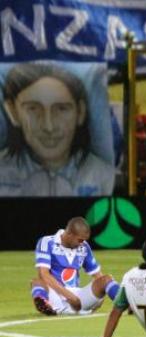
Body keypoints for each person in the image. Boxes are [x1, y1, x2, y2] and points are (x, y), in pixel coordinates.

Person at [0, 63, 115, 196]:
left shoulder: (102, 176)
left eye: (61, 109)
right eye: (33, 109)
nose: (49, 127)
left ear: (80, 112)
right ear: (12, 112)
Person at [31, 217, 120, 316]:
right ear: (69, 234)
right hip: (55, 294)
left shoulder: (84, 247)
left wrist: (100, 296)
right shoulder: (46, 242)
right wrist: (70, 297)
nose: (82, 243)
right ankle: (47, 306)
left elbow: (97, 275)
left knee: (106, 279)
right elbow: (44, 274)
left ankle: (127, 304)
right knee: (37, 282)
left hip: (77, 299)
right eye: (80, 240)